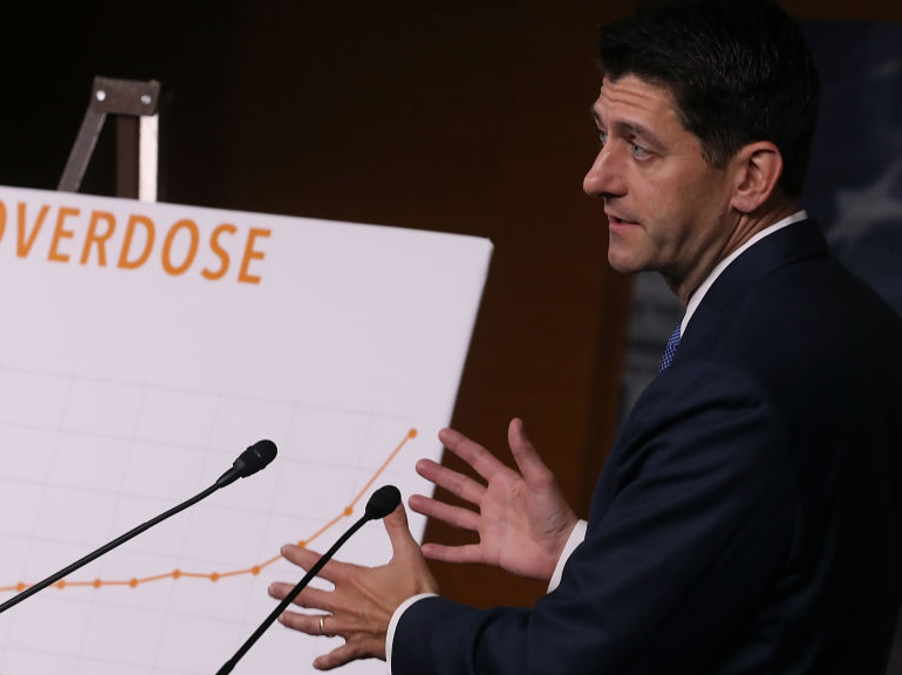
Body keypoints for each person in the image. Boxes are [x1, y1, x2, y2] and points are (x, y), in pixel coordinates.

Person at [267, 0, 902, 672]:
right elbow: (763, 582)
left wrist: (404, 623)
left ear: (750, 177)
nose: (596, 177)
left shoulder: (734, 383)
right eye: (601, 135)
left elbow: (571, 663)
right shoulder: (855, 320)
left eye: (639, 146)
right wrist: (577, 548)